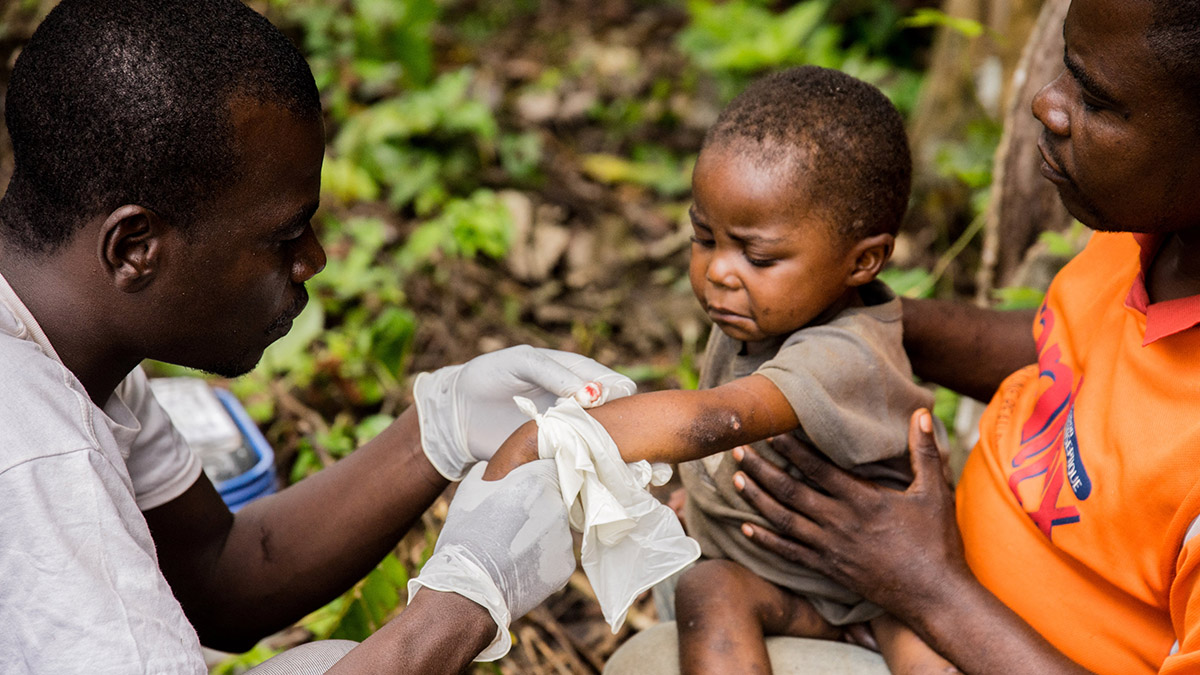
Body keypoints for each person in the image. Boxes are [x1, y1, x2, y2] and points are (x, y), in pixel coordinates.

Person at [0, 1, 635, 673]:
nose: (313, 260)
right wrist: (465, 602)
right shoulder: (36, 449)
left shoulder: (73, 346)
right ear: (135, 247)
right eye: (283, 235)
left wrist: (437, 429)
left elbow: (217, 576)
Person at [726, 0, 1200, 672]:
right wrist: (857, 317)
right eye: (1067, 68)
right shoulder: (1158, 235)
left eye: (1095, 100)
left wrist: (928, 585)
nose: (1046, 104)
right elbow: (1071, 357)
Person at [485, 66, 954, 674]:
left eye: (757, 255)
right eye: (704, 238)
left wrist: (552, 436)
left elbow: (719, 419)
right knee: (708, 588)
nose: (719, 272)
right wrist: (707, 497)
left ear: (862, 261)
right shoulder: (754, 313)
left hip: (878, 590)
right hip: (786, 577)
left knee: (931, 654)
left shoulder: (845, 353)